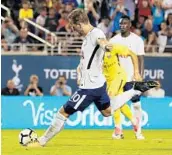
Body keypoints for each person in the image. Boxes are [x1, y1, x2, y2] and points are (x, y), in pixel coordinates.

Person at [27, 9, 158, 147]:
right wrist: (79, 70)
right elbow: (86, 60)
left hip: (89, 87)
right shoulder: (87, 38)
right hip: (99, 84)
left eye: (73, 26)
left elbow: (102, 42)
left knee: (63, 112)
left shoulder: (96, 33)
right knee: (107, 112)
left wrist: (106, 46)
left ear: (79, 23)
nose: (73, 29)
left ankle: (41, 142)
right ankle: (135, 90)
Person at [109, 15, 146, 140]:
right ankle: (118, 130)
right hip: (118, 78)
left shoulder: (137, 40)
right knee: (116, 103)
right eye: (120, 24)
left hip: (132, 77)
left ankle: (138, 131)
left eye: (125, 23)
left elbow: (140, 58)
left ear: (130, 25)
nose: (122, 26)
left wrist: (139, 74)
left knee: (136, 105)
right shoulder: (113, 41)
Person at [103, 43, 143, 139]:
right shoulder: (94, 54)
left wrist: (136, 72)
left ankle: (118, 129)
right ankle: (134, 121)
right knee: (119, 103)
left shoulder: (112, 47)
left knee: (113, 99)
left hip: (119, 76)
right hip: (109, 81)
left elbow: (132, 54)